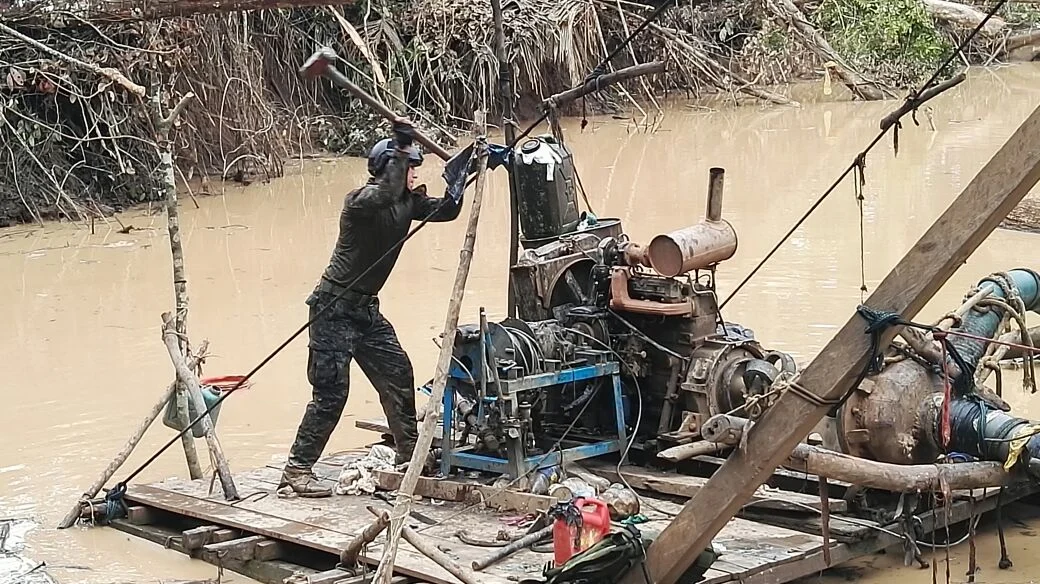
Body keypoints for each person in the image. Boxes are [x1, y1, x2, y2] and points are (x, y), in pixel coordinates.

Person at [279, 117, 466, 498]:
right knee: (332, 394)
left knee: (397, 373)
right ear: (387, 169)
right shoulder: (361, 202)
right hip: (333, 310)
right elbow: (383, 193)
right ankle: (297, 470)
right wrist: (400, 148)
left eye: (414, 168)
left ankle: (409, 455)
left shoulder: (406, 203)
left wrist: (462, 174)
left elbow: (447, 210)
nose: (413, 175)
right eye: (408, 167)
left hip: (366, 313)